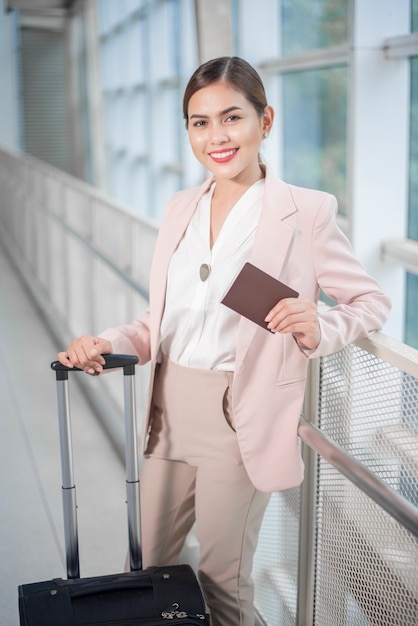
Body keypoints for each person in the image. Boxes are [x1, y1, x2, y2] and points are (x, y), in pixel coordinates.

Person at [57, 56, 391, 625]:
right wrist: (103, 345)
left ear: (266, 122)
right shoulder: (180, 208)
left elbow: (371, 302)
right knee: (148, 573)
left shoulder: (305, 212)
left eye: (231, 117)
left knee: (221, 586)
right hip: (166, 412)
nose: (217, 136)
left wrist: (320, 325)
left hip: (240, 417)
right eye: (199, 122)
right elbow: (156, 325)